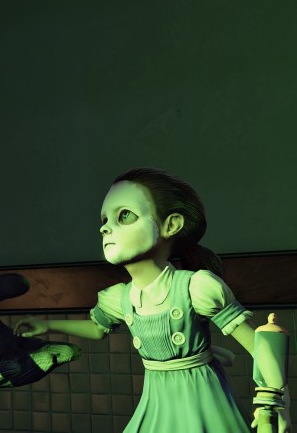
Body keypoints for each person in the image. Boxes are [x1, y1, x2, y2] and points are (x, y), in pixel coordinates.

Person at [15, 167, 291, 432]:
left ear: (171, 225)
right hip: (156, 402)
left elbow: (258, 345)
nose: (105, 229)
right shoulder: (121, 297)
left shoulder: (196, 288)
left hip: (204, 399)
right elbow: (97, 328)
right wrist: (46, 325)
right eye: (104, 220)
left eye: (124, 215)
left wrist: (275, 402)